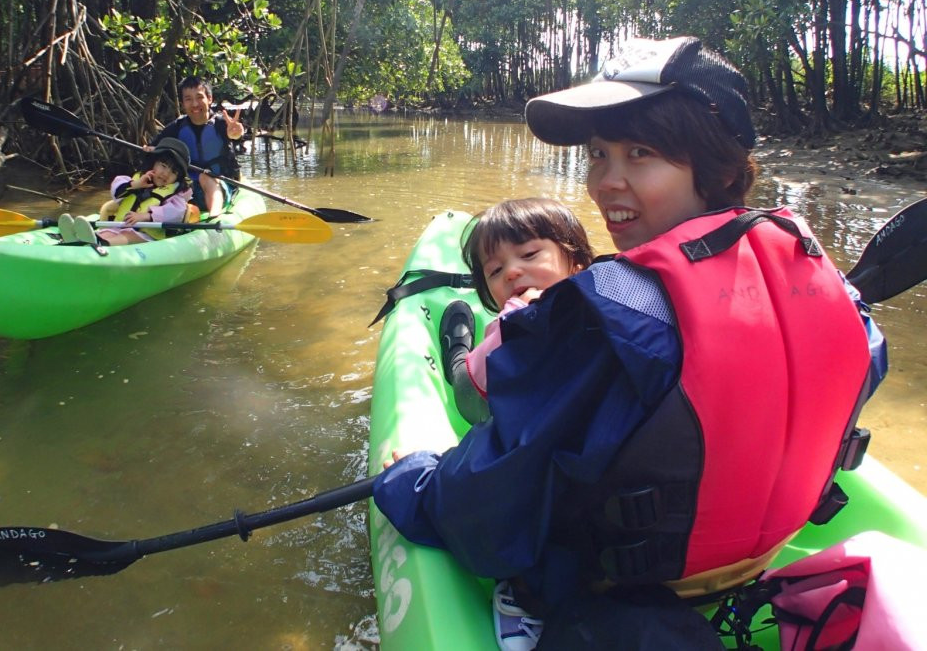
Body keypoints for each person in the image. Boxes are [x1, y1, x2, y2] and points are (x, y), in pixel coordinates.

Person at [372, 37, 887, 651]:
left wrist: (412, 480)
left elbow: (488, 506)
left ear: (719, 168)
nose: (605, 184)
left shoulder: (612, 314)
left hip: (627, 582)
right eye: (597, 155)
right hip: (767, 548)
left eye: (639, 155)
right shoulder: (823, 276)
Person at [439, 198, 595, 425]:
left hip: (530, 425)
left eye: (529, 254)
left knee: (464, 377)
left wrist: (514, 322)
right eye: (495, 270)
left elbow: (477, 379)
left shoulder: (600, 309)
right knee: (466, 373)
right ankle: (458, 357)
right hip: (500, 401)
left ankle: (457, 356)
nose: (511, 272)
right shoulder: (509, 325)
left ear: (575, 266)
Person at [58, 137, 195, 246]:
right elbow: (116, 189)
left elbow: (175, 213)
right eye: (163, 166)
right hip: (118, 227)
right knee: (107, 232)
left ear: (178, 177)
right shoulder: (136, 180)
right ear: (153, 164)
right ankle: (81, 242)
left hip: (147, 236)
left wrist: (146, 216)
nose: (166, 173)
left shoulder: (175, 197)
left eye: (173, 172)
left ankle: (100, 244)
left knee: (128, 235)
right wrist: (136, 185)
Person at [151, 75, 245, 217]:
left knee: (204, 177)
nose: (195, 104)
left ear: (209, 99)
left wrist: (236, 133)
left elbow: (236, 135)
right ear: (183, 103)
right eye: (188, 99)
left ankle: (215, 215)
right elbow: (154, 148)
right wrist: (150, 150)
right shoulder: (177, 127)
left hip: (222, 184)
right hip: (189, 189)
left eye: (199, 97)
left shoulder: (221, 124)